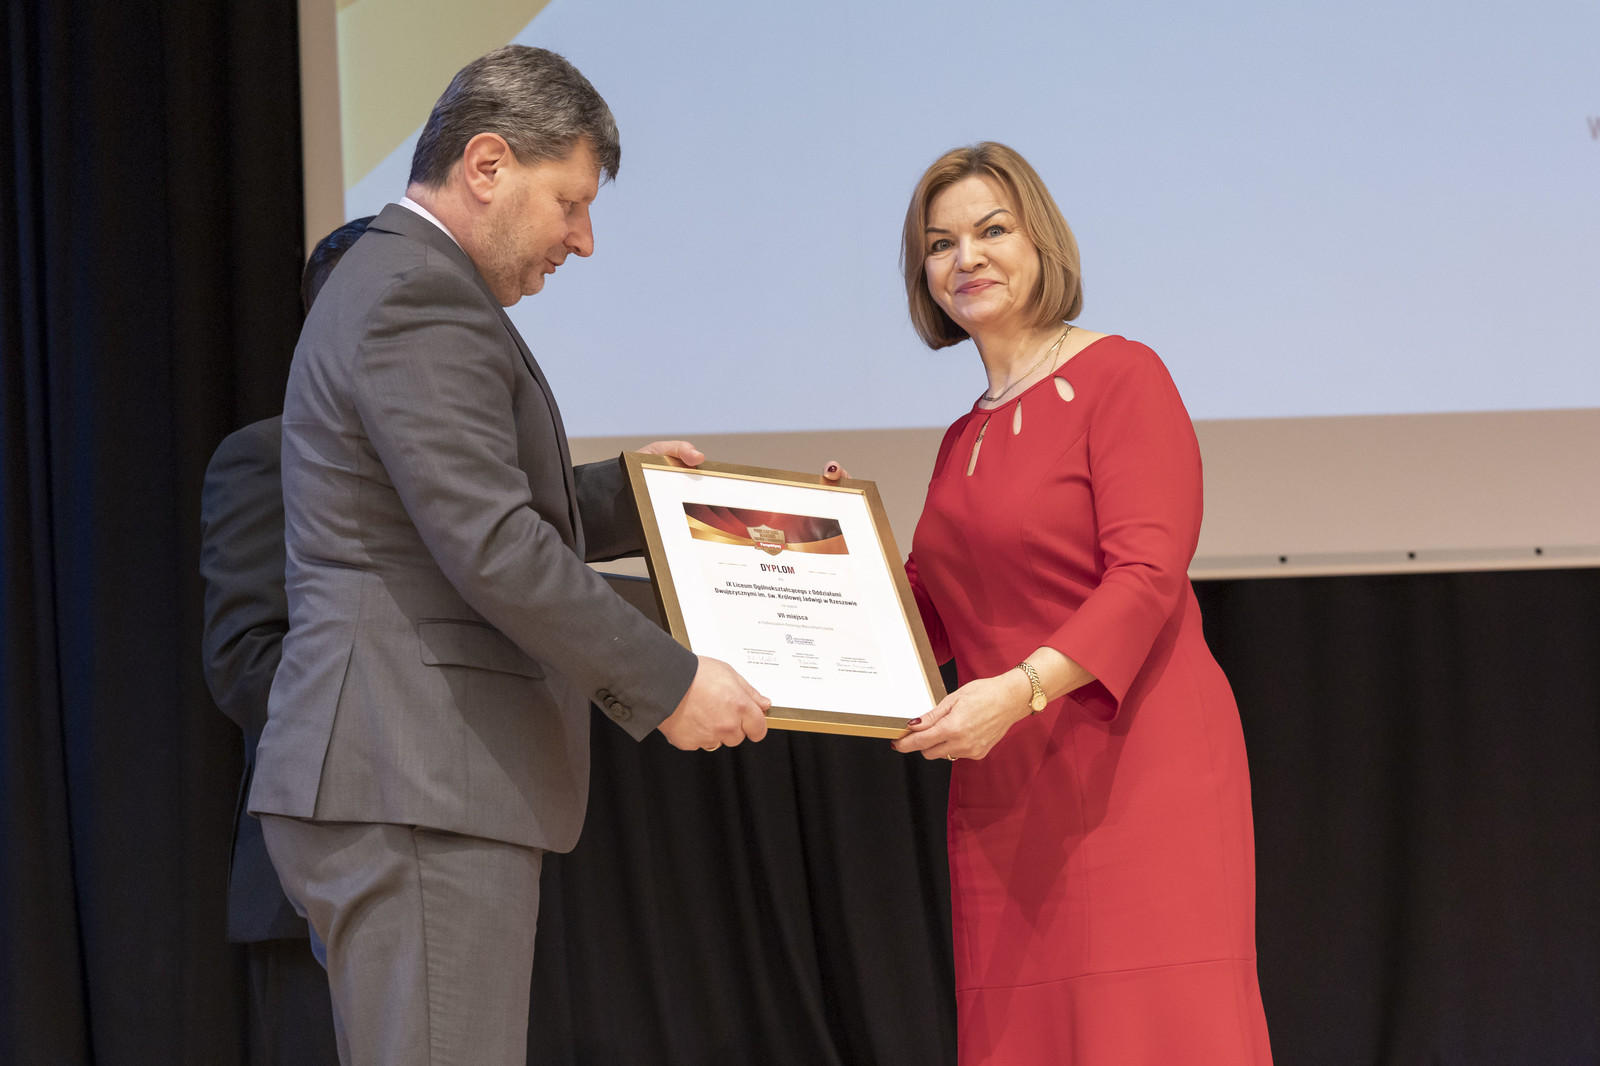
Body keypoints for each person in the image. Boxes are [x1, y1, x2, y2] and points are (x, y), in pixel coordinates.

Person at [248, 46, 770, 1066]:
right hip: (416, 772)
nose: (583, 240)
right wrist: (671, 684)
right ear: (487, 164)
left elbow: (450, 513)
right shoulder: (418, 294)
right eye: (570, 203)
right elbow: (491, 543)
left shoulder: (403, 282)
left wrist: (638, 494)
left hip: (407, 775)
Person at [888, 143, 1273, 1062]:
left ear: (1040, 242)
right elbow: (926, 614)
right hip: (1008, 792)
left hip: (1138, 770)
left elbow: (1147, 574)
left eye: (991, 230)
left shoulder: (1122, 376)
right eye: (940, 244)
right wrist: (825, 554)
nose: (966, 258)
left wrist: (1020, 690)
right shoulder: (961, 437)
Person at [199, 215, 371, 1066]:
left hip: (451, 853)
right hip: (316, 873)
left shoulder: (458, 465)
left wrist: (645, 493)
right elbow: (244, 662)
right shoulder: (268, 455)